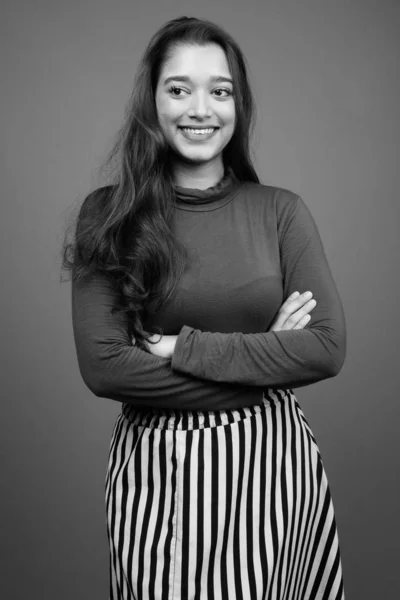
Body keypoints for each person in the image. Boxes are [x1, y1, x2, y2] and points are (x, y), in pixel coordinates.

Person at [63, 15, 346, 600]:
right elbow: (107, 368)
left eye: (220, 91)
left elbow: (324, 348)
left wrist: (181, 347)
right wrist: (267, 360)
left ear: (237, 105)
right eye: (179, 89)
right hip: (161, 474)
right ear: (152, 101)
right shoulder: (107, 214)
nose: (201, 109)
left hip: (276, 470)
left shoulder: (280, 211)